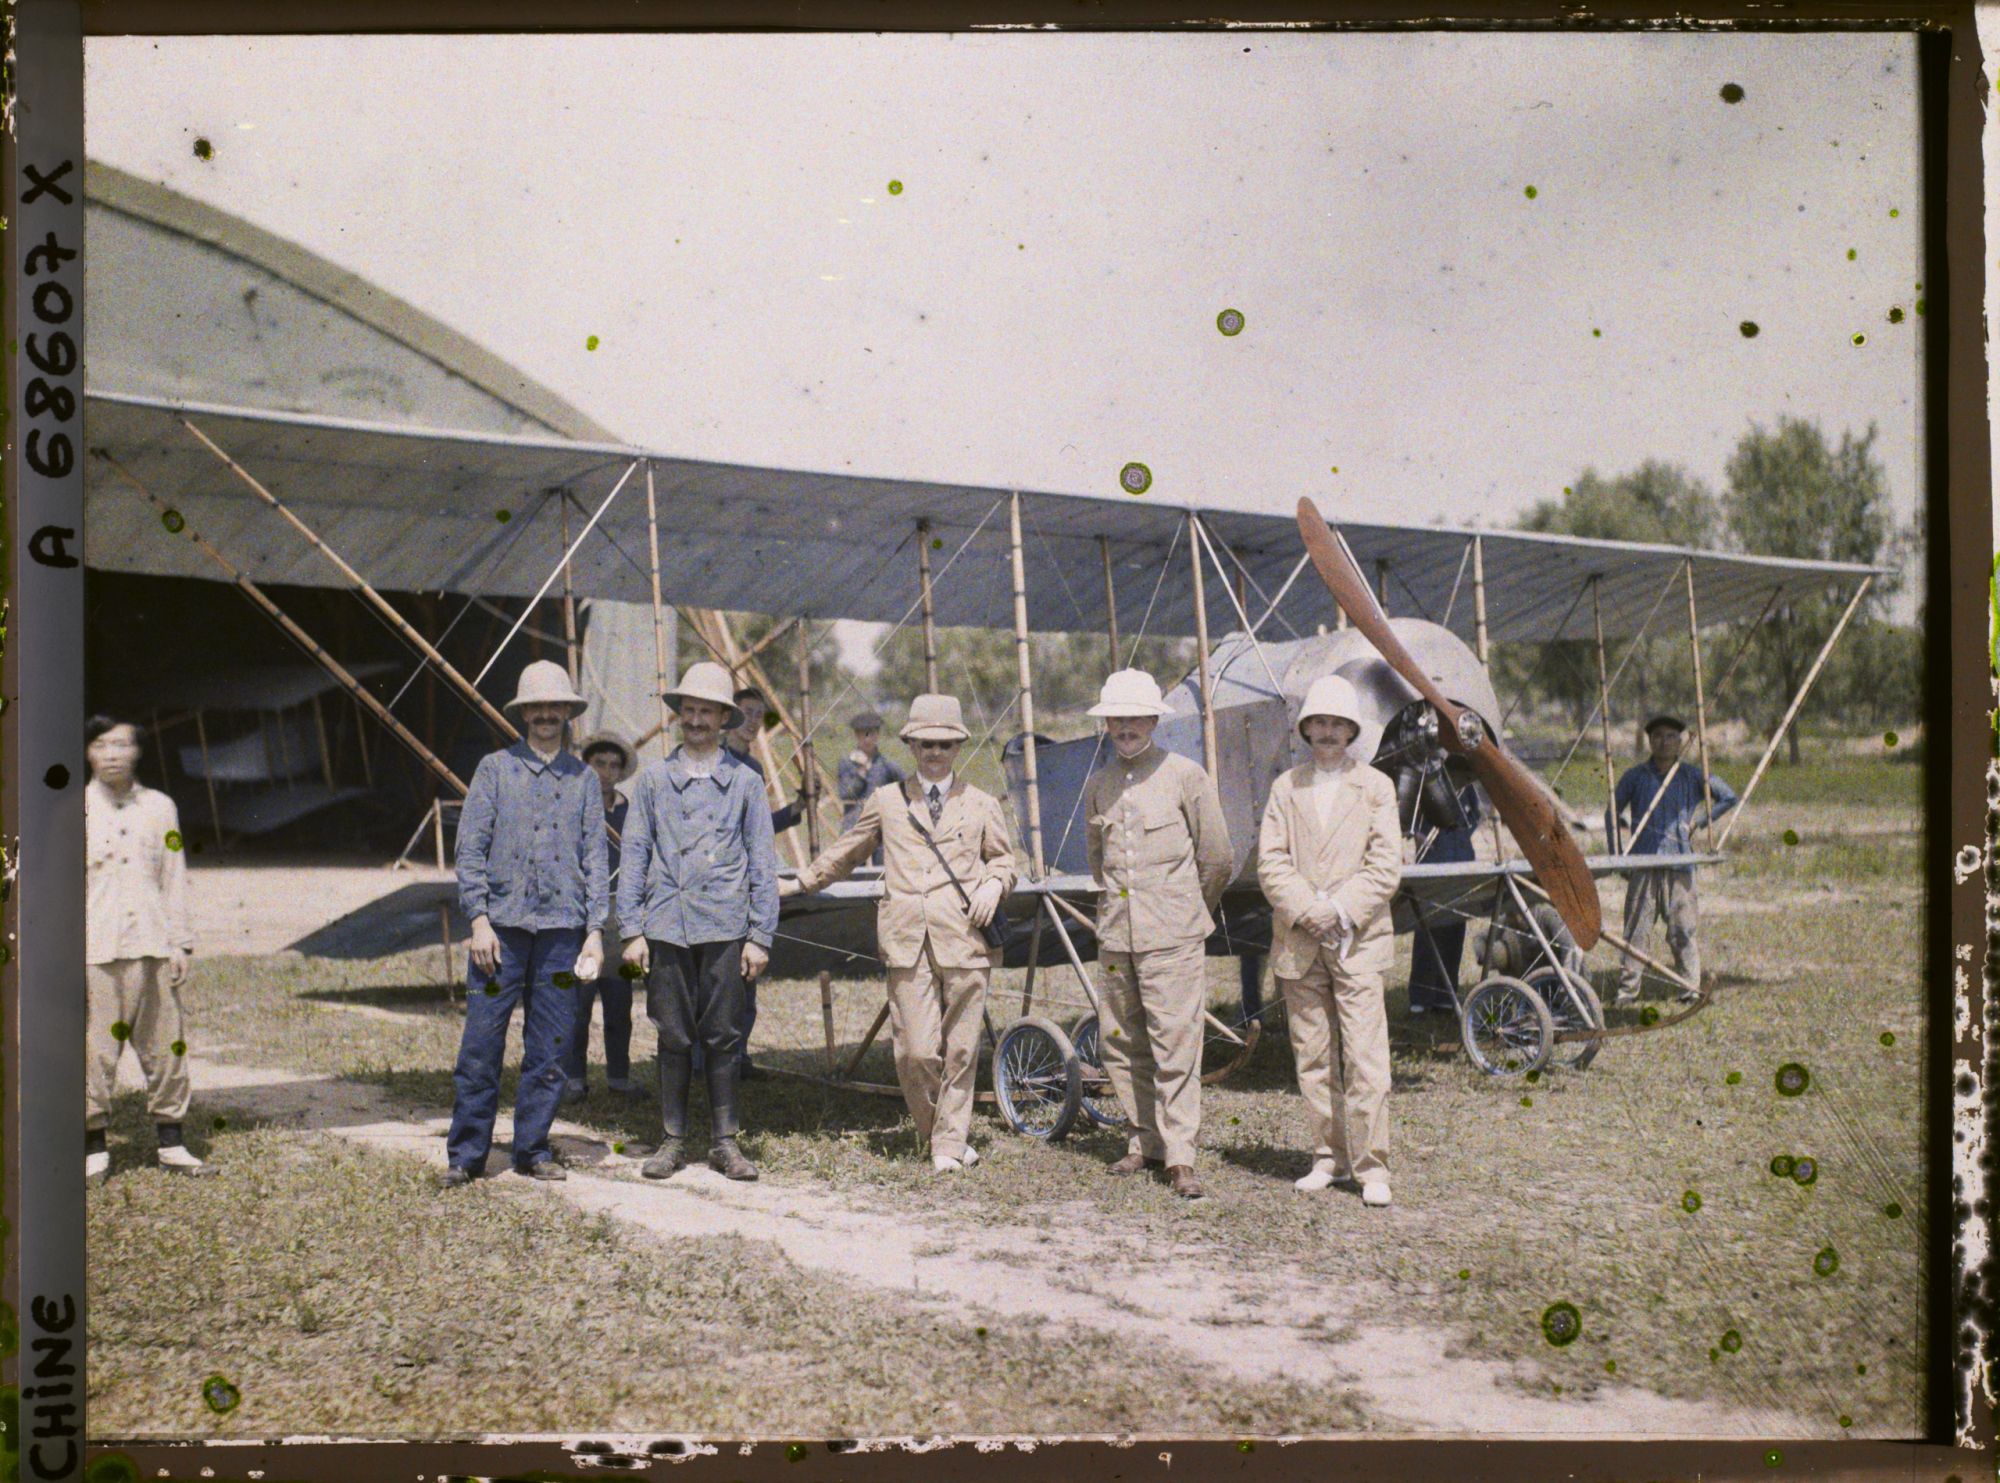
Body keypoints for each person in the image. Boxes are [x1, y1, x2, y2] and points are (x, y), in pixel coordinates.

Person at [780, 693, 1016, 1173]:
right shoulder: (887, 801)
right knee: (915, 1052)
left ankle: (947, 1145)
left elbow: (1004, 860)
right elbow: (848, 850)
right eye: (926, 744)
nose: (935, 753)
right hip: (906, 941)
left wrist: (995, 884)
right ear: (910, 745)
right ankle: (939, 1134)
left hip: (965, 939)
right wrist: (802, 881)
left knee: (963, 1048)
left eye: (945, 744)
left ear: (958, 747)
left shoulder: (981, 803)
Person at [442, 661, 608, 1187]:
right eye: (536, 706)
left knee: (551, 1046)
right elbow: (469, 851)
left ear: (567, 713)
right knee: (481, 1044)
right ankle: (466, 1155)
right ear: (523, 713)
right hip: (501, 935)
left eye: (554, 706)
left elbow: (595, 859)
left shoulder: (584, 780)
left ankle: (532, 1148)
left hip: (562, 934)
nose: (545, 715)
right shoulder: (494, 770)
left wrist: (595, 932)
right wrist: (480, 921)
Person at [620, 662, 779, 1182]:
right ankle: (672, 1140)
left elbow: (762, 863)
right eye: (687, 711)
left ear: (724, 718)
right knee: (672, 1033)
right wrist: (632, 930)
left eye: (706, 712)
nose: (695, 720)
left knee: (724, 1034)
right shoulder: (653, 780)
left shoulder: (745, 783)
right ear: (678, 716)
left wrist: (760, 936)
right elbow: (634, 855)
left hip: (726, 927)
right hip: (666, 925)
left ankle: (725, 1142)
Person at [1082, 669, 1232, 1201]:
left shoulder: (1185, 776)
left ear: (1153, 720)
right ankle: (1142, 1140)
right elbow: (1099, 863)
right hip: (1116, 937)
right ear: (1107, 724)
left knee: (1175, 1043)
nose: (1125, 728)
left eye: (1135, 718)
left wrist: (1186, 913)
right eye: (1116, 719)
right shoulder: (1100, 785)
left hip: (1173, 935)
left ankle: (1180, 1154)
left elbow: (1217, 859)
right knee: (1122, 1041)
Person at [1256, 676, 1404, 1208]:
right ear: (1305, 729)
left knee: (1365, 1056)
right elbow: (1271, 861)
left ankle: (1371, 1166)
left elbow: (1385, 865)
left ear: (1352, 731)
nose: (1327, 733)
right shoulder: (1286, 787)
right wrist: (1308, 910)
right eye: (1318, 723)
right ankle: (1328, 1158)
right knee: (1313, 1054)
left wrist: (1340, 910)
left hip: (1357, 941)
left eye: (1338, 724)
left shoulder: (1376, 787)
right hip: (1300, 941)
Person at [83, 715, 212, 1184]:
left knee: (165, 1048)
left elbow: (173, 874)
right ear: (88, 752)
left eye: (122, 744)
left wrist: (179, 942)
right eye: (101, 744)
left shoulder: (160, 808)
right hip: (95, 950)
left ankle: (172, 1144)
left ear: (138, 751)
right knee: (93, 1053)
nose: (112, 754)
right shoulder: (72, 809)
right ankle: (93, 1148)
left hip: (153, 947)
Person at [1606, 714, 1738, 1006]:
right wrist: (1617, 856)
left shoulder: (1691, 775)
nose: (1663, 742)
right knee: (1636, 932)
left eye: (1670, 736)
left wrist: (1700, 821)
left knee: (1682, 931)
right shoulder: (1636, 776)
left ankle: (1689, 988)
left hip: (1680, 864)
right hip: (1643, 864)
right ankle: (1627, 992)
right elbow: (1611, 812)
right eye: (1657, 736)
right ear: (1649, 741)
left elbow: (1728, 797)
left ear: (1680, 741)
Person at [720, 683, 802, 1079]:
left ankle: (739, 1056)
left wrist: (795, 811)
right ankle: (708, 1060)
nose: (753, 721)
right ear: (730, 717)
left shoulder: (752, 767)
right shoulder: (716, 761)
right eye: (746, 713)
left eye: (759, 715)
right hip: (716, 882)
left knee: (745, 974)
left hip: (744, 882)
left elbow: (757, 828)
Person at [563, 732, 642, 1102]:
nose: (606, 772)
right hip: (583, 917)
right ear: (586, 766)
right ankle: (574, 1079)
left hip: (619, 917)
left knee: (619, 1003)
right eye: (599, 764)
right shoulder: (574, 806)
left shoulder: (630, 812)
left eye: (613, 766)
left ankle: (619, 1078)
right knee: (580, 1004)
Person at [1406, 781, 1481, 1015]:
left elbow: (1474, 815)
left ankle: (1445, 996)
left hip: (1461, 858)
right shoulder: (1423, 779)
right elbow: (1407, 818)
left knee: (1454, 928)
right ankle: (1420, 999)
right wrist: (1422, 837)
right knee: (1428, 930)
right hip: (1432, 859)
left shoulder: (1465, 784)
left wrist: (1460, 836)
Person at [838, 709, 906, 835]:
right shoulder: (847, 764)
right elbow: (845, 794)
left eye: (872, 734)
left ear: (877, 735)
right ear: (857, 735)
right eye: (864, 735)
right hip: (853, 826)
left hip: (881, 827)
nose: (867, 740)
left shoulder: (887, 765)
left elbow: (907, 788)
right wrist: (861, 771)